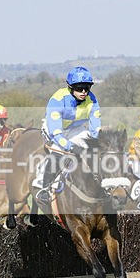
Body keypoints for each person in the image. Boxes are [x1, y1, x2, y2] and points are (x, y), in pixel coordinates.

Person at [33, 66, 101, 205]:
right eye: (79, 88)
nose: (83, 92)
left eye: (87, 88)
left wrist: (98, 143)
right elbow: (56, 134)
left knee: (94, 149)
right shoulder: (57, 100)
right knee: (58, 154)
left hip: (76, 128)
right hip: (54, 130)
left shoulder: (92, 99)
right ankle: (44, 188)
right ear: (70, 87)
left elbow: (95, 129)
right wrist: (72, 147)